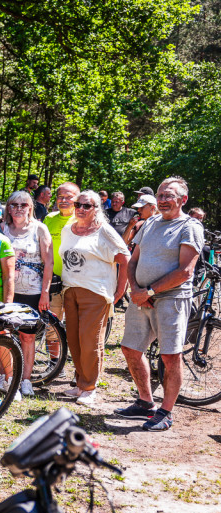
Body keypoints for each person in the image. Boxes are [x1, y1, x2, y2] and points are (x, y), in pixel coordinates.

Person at [117, 177, 203, 431]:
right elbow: (133, 261)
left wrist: (151, 290)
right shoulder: (151, 222)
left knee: (170, 355)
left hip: (171, 299)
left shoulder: (189, 227)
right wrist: (135, 289)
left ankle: (166, 412)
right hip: (141, 297)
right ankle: (146, 402)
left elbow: (185, 271)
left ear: (183, 200)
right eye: (161, 195)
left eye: (170, 196)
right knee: (130, 349)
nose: (163, 200)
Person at [59, 190, 130, 406]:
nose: (80, 208)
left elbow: (124, 259)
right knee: (73, 339)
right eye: (78, 204)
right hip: (70, 290)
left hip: (95, 293)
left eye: (86, 205)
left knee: (90, 341)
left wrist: (119, 291)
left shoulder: (104, 231)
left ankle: (90, 387)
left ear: (96, 208)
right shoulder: (67, 228)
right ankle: (80, 383)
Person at [0, 190, 52, 396]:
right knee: (5, 334)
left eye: (23, 205)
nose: (19, 208)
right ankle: (8, 378)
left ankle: (26, 380)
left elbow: (49, 262)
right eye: (14, 205)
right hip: (6, 291)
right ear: (8, 208)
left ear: (30, 207)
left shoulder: (39, 229)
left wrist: (45, 293)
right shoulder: (2, 228)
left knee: (27, 337)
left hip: (32, 291)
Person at [43, 182, 79, 323]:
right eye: (60, 196)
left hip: (76, 282)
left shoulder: (82, 219)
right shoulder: (49, 218)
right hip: (53, 280)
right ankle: (54, 346)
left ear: (78, 198)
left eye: (68, 197)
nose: (63, 200)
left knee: (73, 324)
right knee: (52, 327)